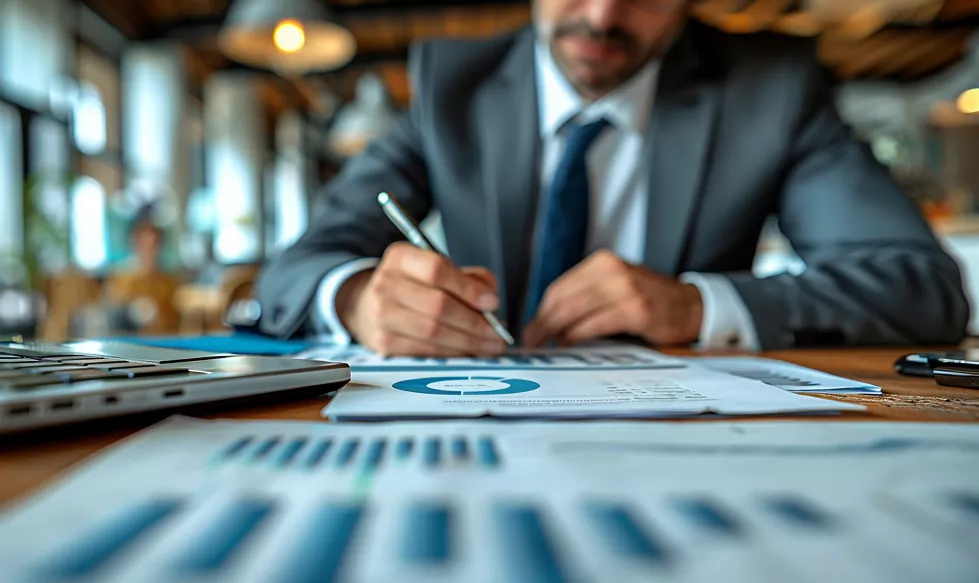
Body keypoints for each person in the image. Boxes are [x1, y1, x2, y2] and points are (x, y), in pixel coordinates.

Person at [256, 0, 969, 356]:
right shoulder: (451, 83)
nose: (600, 15)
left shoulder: (769, 88)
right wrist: (353, 298)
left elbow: (919, 286)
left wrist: (698, 306)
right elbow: (295, 269)